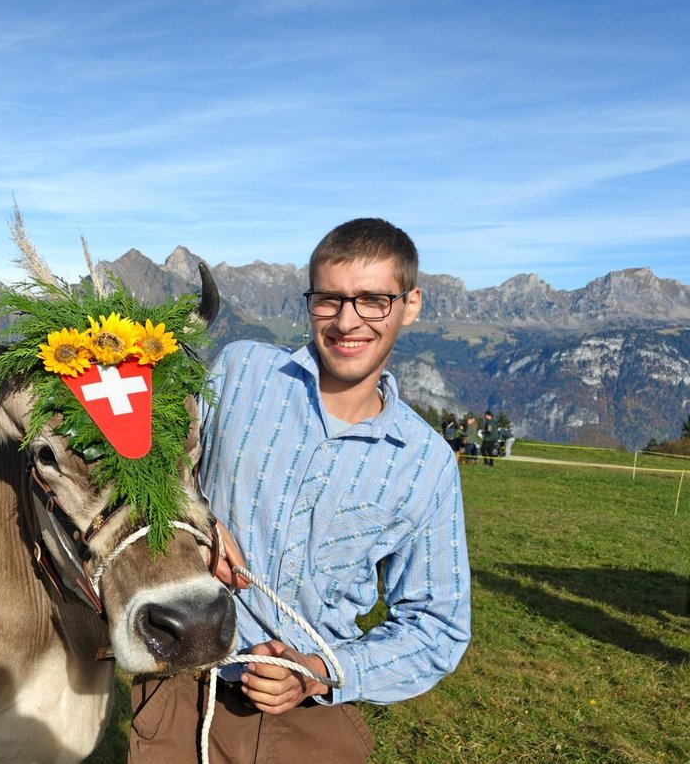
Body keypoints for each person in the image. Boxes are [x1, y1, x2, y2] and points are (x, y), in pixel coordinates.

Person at [131, 219, 471, 763]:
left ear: (410, 305)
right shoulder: (241, 371)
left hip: (312, 724)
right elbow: (151, 462)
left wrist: (320, 672)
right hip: (185, 691)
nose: (347, 321)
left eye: (373, 301)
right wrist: (200, 523)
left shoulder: (425, 463)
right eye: (329, 299)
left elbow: (438, 627)